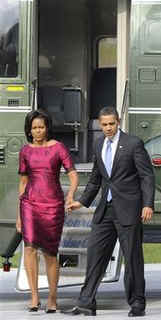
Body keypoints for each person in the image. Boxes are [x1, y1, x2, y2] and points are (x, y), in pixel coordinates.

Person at [62, 106, 155, 317]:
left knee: (132, 259)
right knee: (95, 256)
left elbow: (147, 176)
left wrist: (147, 204)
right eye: (104, 125)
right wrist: (81, 202)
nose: (108, 128)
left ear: (118, 122)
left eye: (111, 124)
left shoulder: (133, 144)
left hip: (129, 210)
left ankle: (137, 304)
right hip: (105, 211)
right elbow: (96, 179)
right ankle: (86, 303)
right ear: (100, 125)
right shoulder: (98, 144)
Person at [16, 109, 78, 313]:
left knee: (51, 253)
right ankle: (34, 297)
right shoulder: (25, 151)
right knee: (29, 249)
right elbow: (23, 182)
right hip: (29, 205)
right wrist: (19, 215)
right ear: (29, 130)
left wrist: (70, 195)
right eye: (34, 128)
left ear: (47, 128)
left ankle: (52, 297)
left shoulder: (58, 148)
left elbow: (73, 174)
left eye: (41, 127)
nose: (38, 131)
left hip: (52, 205)